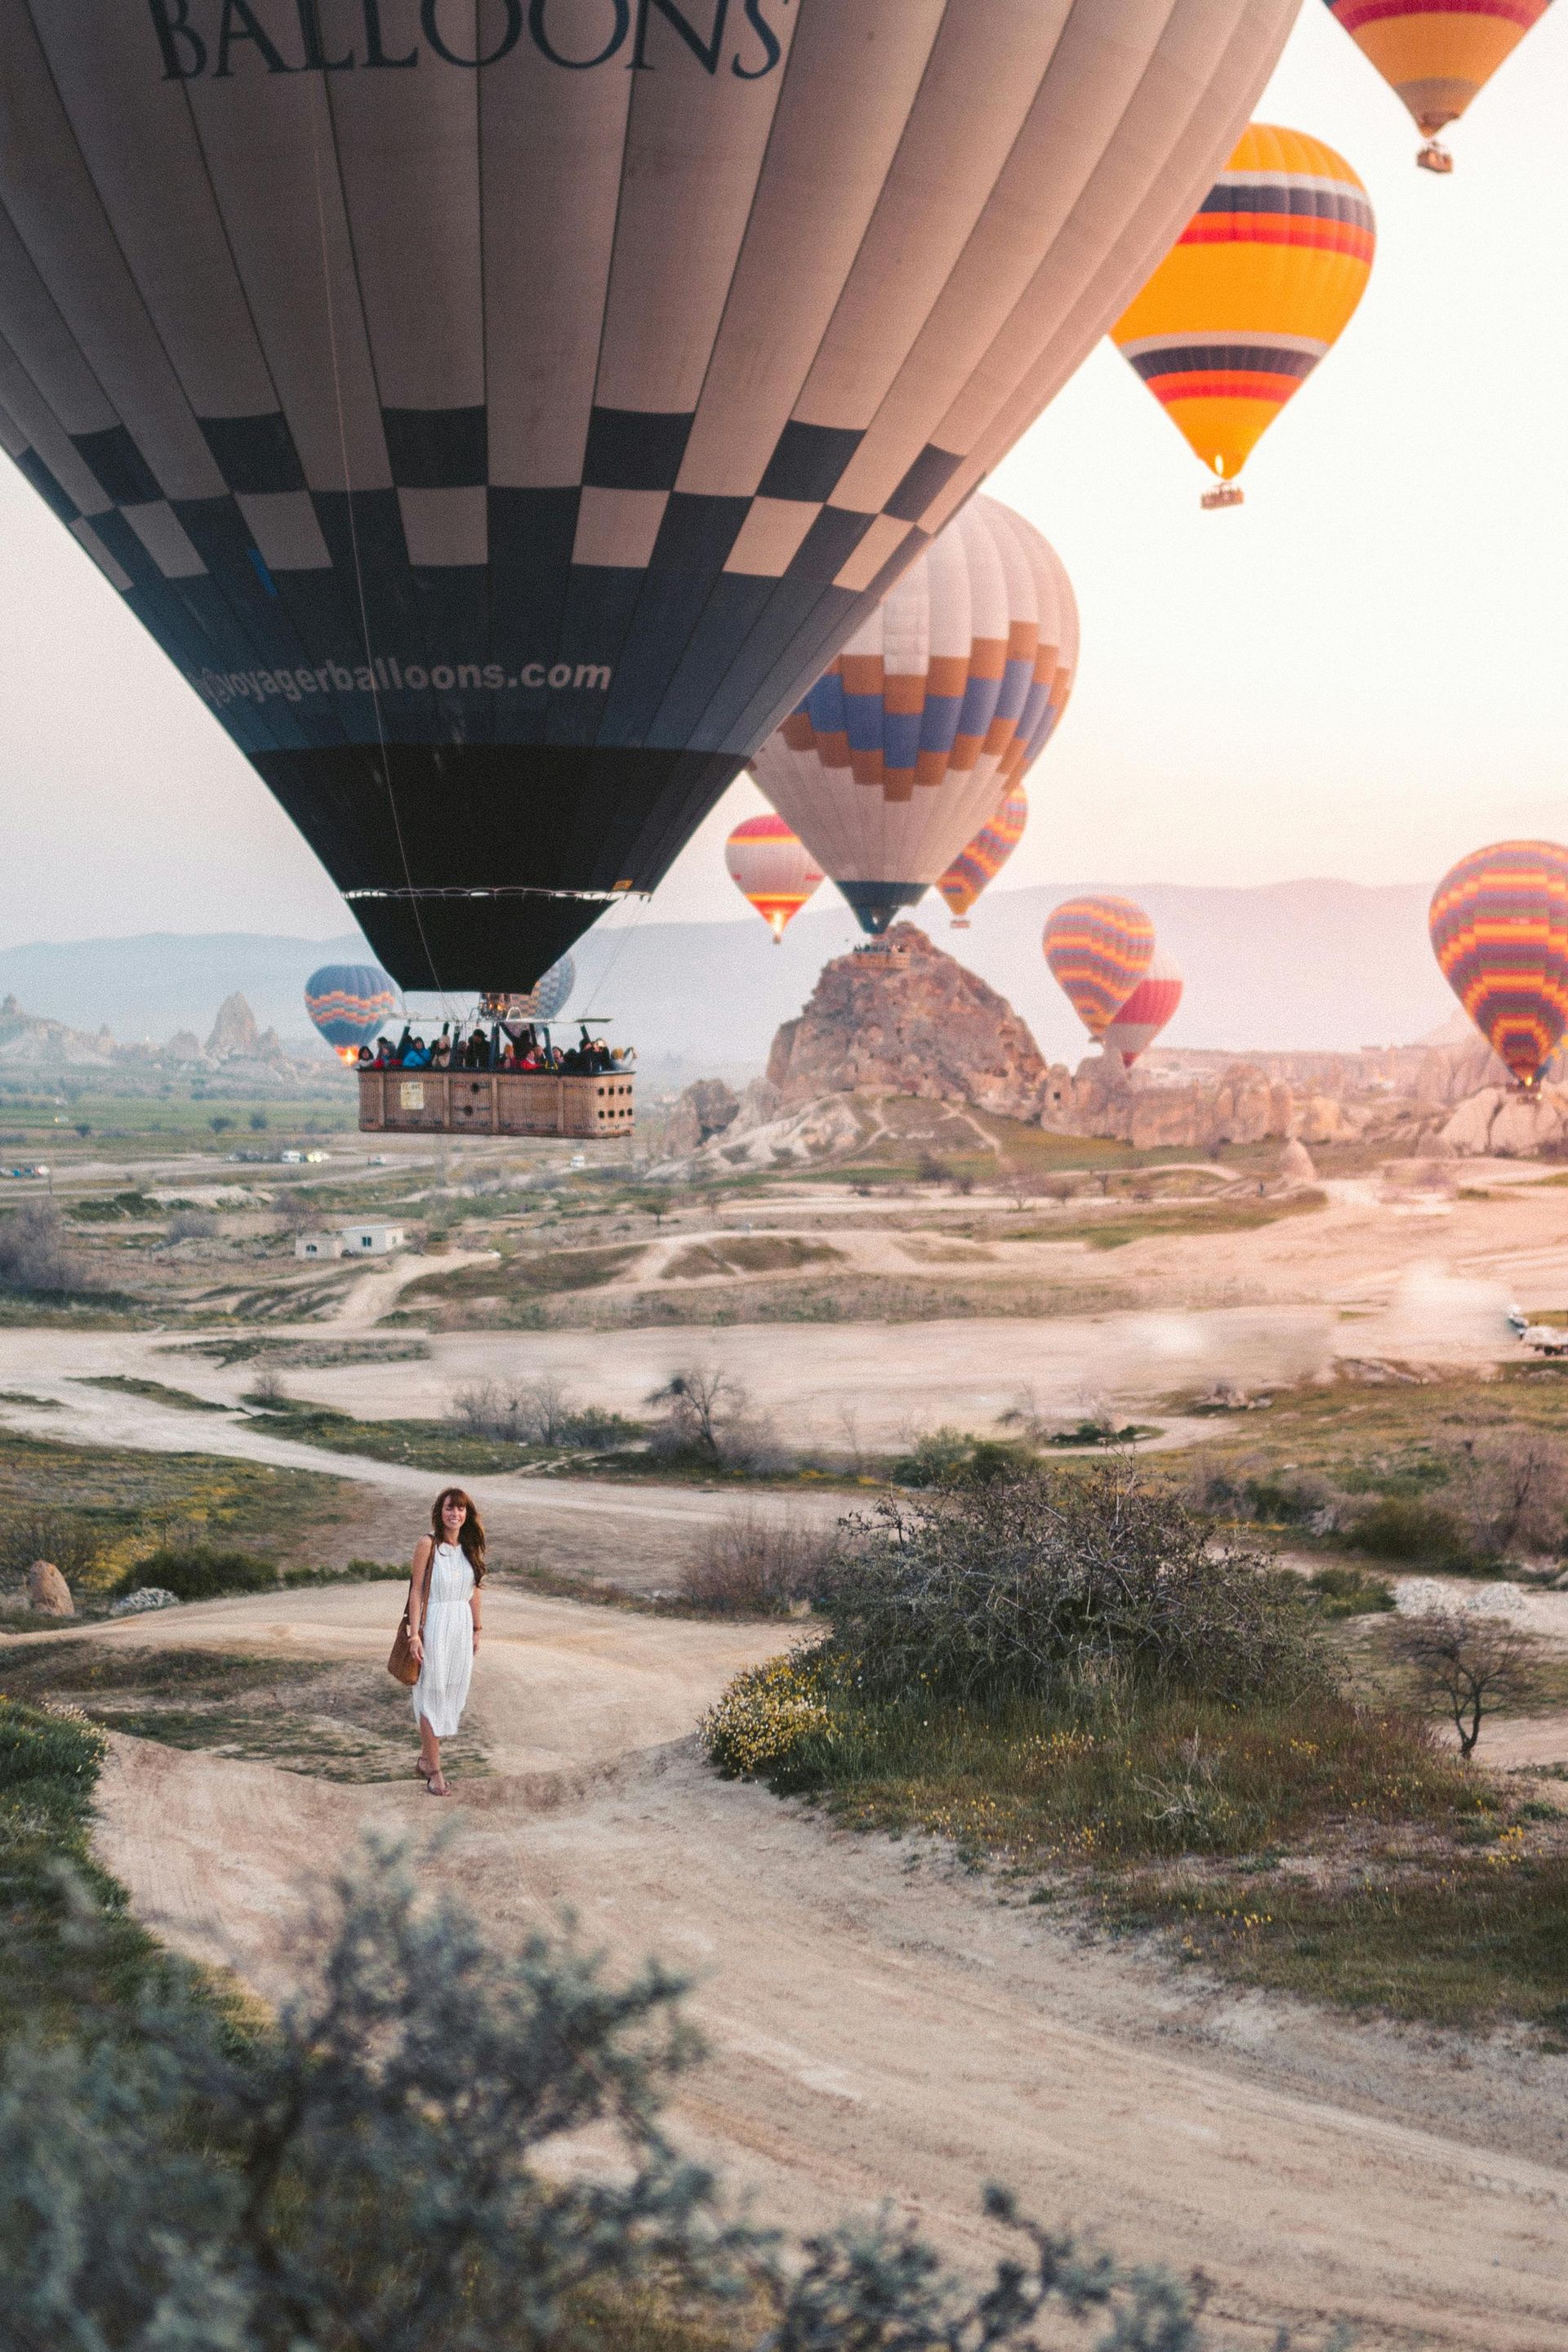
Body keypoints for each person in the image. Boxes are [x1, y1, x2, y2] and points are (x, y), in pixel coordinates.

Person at [404, 1486, 484, 1796]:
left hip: (461, 1627)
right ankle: (434, 1772)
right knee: (430, 1692)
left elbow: (475, 1590)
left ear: (467, 1514)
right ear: (440, 1512)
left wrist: (477, 1628)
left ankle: (426, 1758)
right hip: (435, 1624)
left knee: (451, 1691)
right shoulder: (428, 1545)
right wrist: (414, 1634)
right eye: (450, 1508)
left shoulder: (468, 1547)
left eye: (461, 1509)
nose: (456, 1514)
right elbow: (416, 1591)